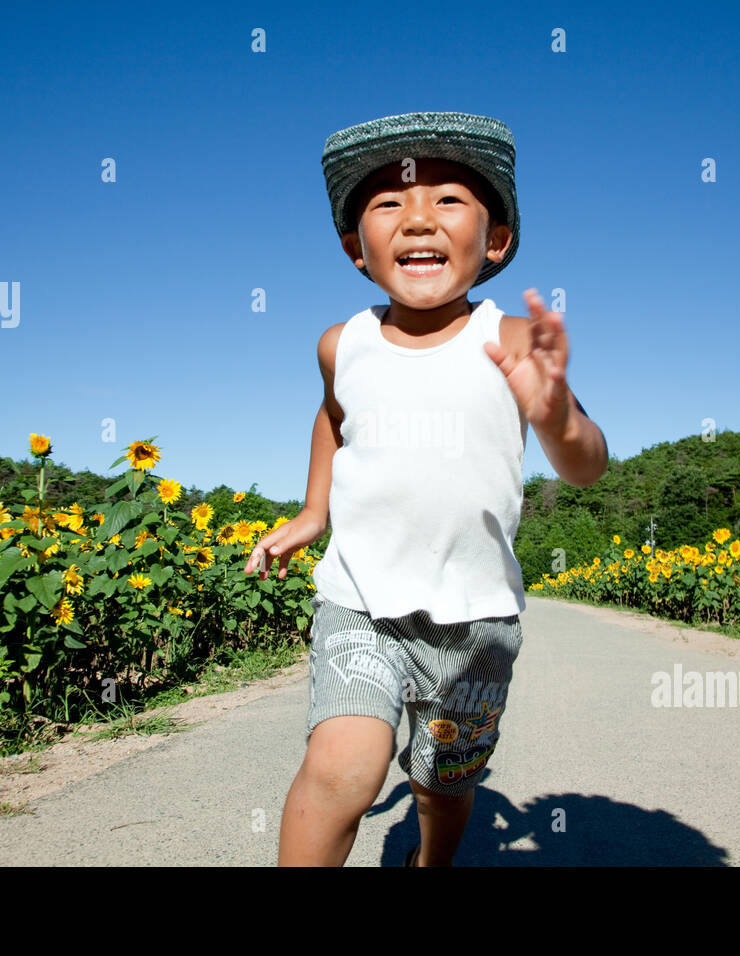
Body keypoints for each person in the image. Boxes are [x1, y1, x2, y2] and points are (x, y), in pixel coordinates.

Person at [244, 111, 607, 866]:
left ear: (496, 240)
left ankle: (430, 859)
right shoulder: (343, 344)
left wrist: (555, 416)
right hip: (361, 602)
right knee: (343, 768)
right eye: (388, 204)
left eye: (448, 201)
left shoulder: (508, 343)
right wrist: (315, 510)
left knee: (443, 783)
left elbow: (586, 465)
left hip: (475, 621)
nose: (417, 216)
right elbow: (333, 416)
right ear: (356, 250)